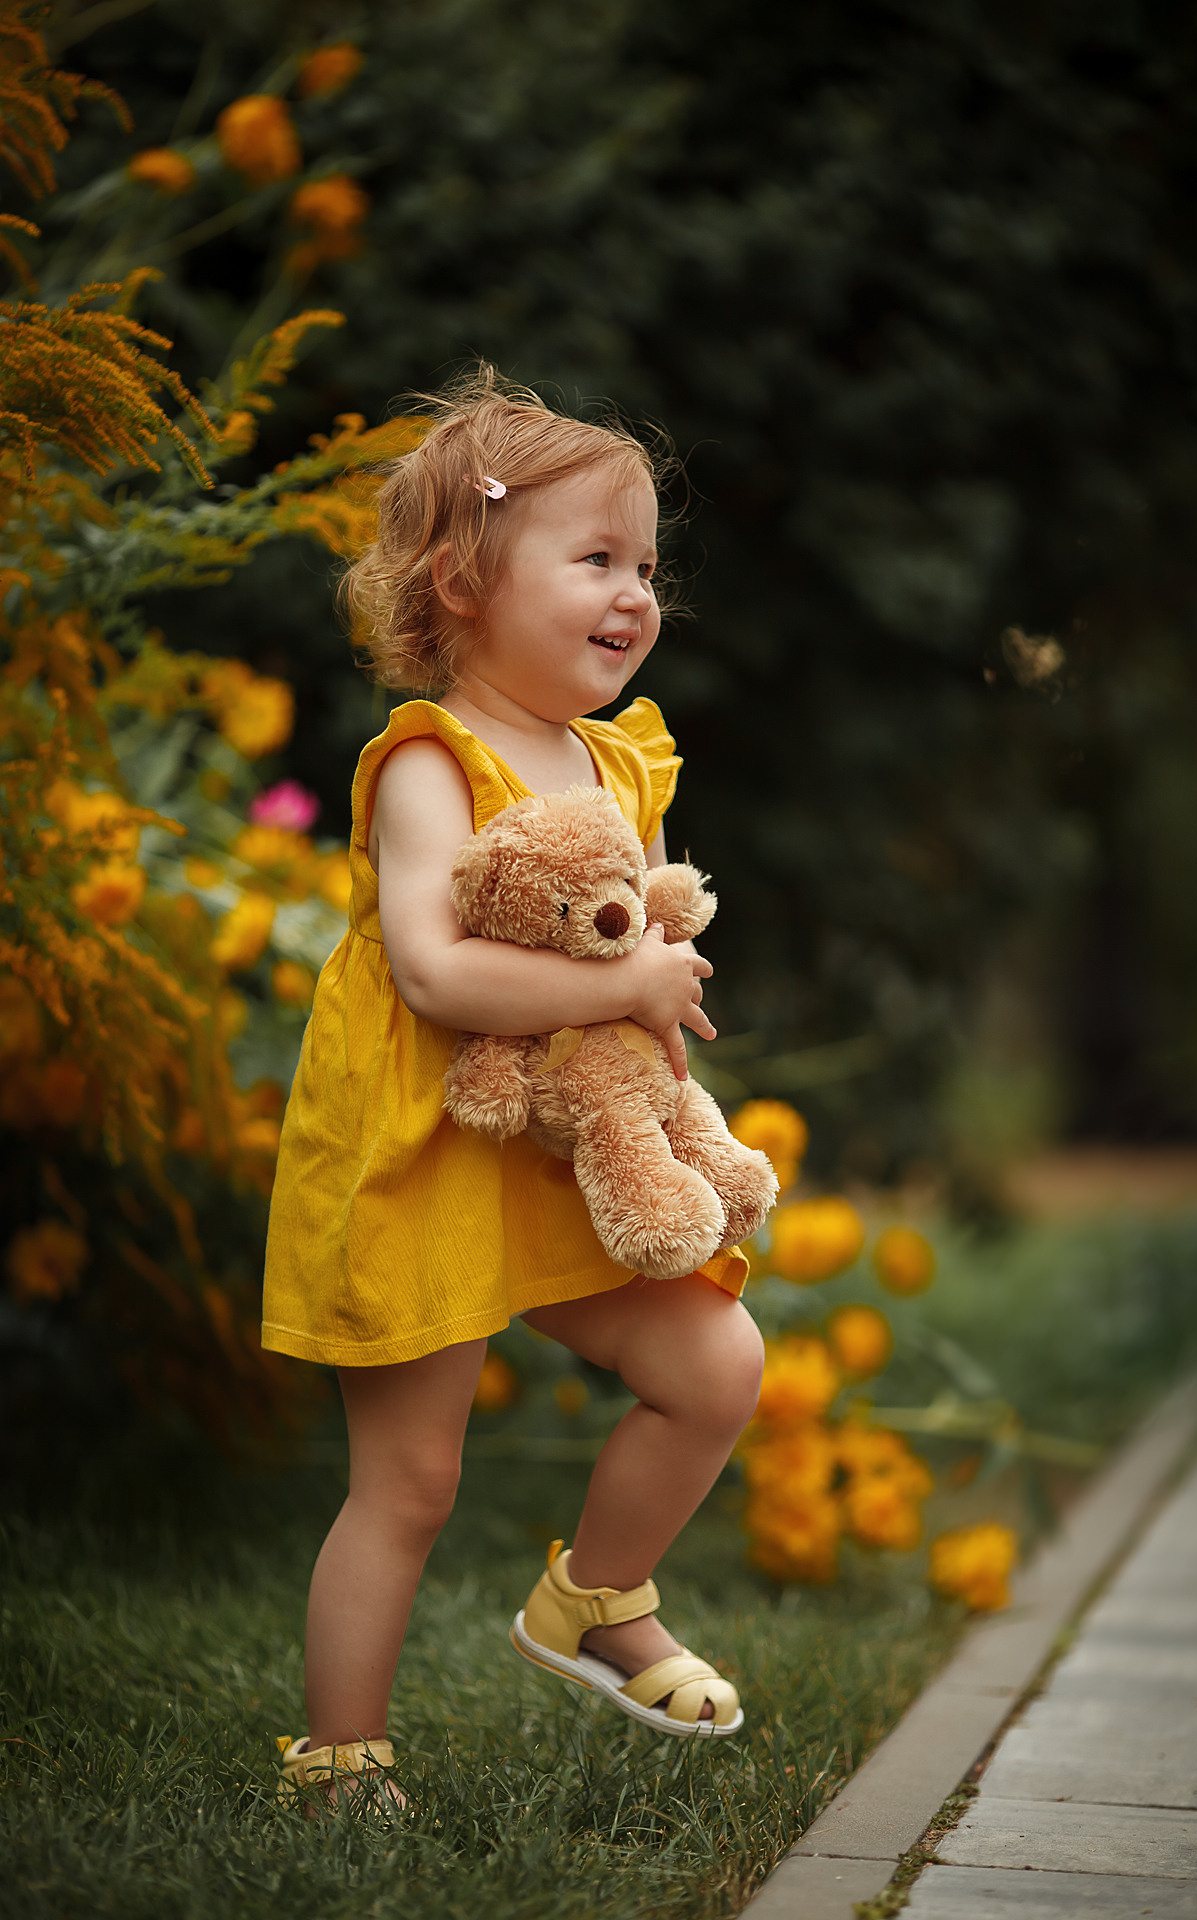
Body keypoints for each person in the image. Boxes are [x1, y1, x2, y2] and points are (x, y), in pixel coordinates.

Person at [263, 369, 767, 1805]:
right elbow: (432, 970)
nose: (633, 595)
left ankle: (599, 1600)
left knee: (713, 1364)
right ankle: (340, 1758)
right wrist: (624, 985)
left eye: (647, 568)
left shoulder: (624, 758)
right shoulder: (435, 762)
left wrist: (666, 1032)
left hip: (560, 1149)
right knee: (411, 1483)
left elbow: (637, 935)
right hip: (428, 1142)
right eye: (595, 560)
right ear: (466, 581)